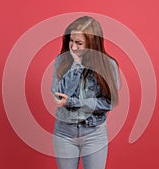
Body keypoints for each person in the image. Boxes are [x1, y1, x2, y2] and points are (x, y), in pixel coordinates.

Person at [51, 16, 119, 169]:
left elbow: (108, 103)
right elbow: (59, 96)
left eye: (79, 43)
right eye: (71, 41)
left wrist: (74, 103)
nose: (73, 47)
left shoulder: (109, 65)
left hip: (94, 133)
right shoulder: (62, 61)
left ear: (92, 45)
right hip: (64, 132)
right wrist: (76, 65)